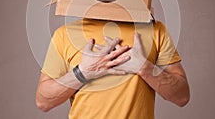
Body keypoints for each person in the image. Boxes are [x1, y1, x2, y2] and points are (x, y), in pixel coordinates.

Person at [35, 18, 190, 119]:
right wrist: (82, 72)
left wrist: (145, 68)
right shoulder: (65, 34)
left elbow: (182, 97)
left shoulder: (155, 30)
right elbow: (43, 102)